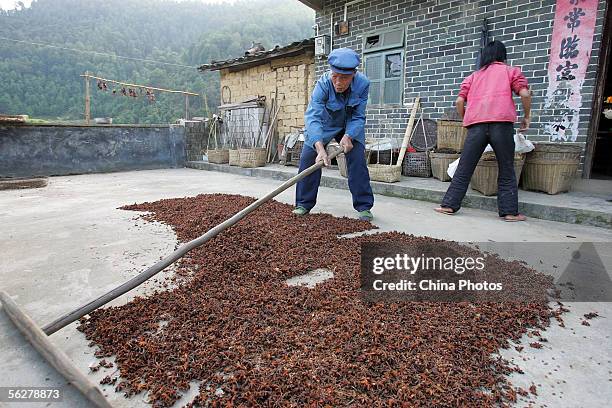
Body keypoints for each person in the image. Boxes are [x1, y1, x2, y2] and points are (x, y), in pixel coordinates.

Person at [435, 40, 532, 222]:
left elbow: (459, 102)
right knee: (506, 168)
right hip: (501, 126)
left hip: (476, 126)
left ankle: (448, 205)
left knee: (465, 166)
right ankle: (509, 212)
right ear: (503, 55)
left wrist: (466, 118)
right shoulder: (511, 71)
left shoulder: (473, 76)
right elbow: (525, 94)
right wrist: (527, 117)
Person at [292, 48, 374, 221]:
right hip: (325, 123)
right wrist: (320, 148)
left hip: (350, 126)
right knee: (308, 158)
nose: (338, 82)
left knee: (357, 160)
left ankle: (364, 206)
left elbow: (358, 116)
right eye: (334, 76)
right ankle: (303, 204)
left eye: (343, 78)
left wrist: (349, 136)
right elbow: (313, 116)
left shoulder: (363, 84)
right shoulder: (323, 84)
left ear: (353, 74)